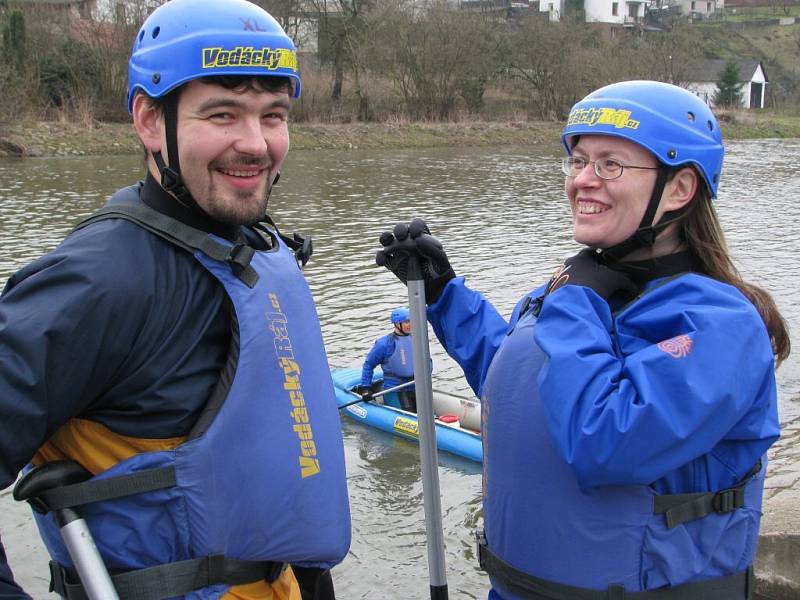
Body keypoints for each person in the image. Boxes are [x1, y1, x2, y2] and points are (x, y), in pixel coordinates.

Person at [374, 80, 790, 599]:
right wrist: (443, 293)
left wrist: (575, 297)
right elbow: (521, 388)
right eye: (578, 161)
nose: (583, 181)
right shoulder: (587, 287)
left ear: (680, 189)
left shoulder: (720, 326)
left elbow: (605, 440)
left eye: (610, 164)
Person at [0, 1, 351, 599]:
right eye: (222, 114)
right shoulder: (102, 280)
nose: (255, 143)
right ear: (147, 119)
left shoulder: (252, 251)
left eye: (273, 115)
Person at [357, 307, 418, 412]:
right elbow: (368, 365)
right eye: (406, 322)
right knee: (409, 414)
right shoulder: (384, 344)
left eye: (411, 321)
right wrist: (366, 388)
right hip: (395, 390)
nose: (410, 324)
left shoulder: (417, 339)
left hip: (416, 386)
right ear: (397, 324)